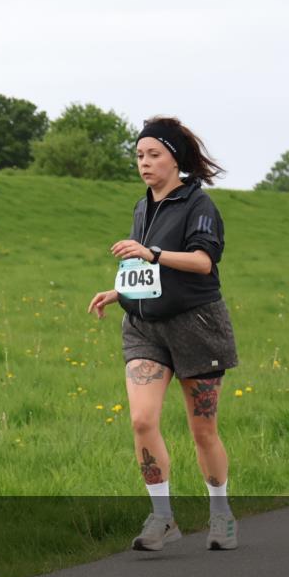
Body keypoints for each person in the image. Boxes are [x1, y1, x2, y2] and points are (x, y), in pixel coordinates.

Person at [87, 116, 239, 551]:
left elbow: (202, 262)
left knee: (202, 430)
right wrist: (117, 292)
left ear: (176, 158)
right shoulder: (143, 206)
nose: (145, 163)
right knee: (141, 420)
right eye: (139, 155)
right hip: (144, 327)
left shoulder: (199, 205)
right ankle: (163, 517)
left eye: (154, 154)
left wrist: (152, 252)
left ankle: (221, 514)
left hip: (197, 325)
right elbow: (144, 269)